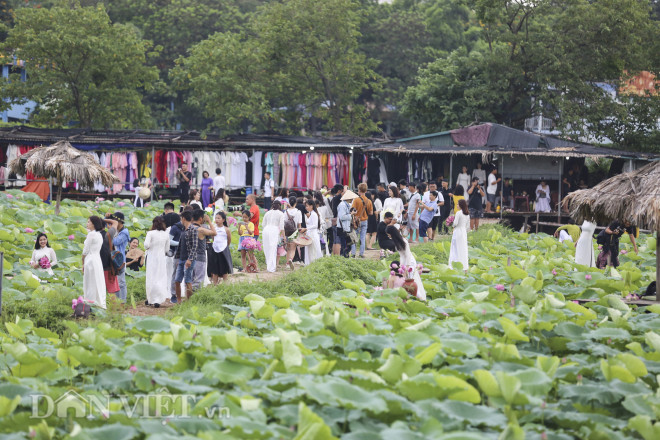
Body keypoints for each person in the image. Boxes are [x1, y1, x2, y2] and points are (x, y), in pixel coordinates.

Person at [385, 225, 426, 301]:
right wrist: (401, 265)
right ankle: (408, 297)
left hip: (410, 262)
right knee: (405, 281)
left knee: (410, 280)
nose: (388, 236)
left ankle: (419, 297)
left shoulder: (404, 241)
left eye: (388, 234)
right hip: (404, 262)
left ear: (392, 233)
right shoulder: (396, 241)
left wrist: (407, 267)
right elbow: (401, 255)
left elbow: (408, 255)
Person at [144, 216, 170, 308]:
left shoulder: (150, 233)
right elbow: (167, 249)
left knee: (151, 277)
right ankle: (158, 300)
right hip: (161, 258)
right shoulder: (166, 234)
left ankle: (150, 299)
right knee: (160, 278)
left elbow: (146, 245)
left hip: (152, 258)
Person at [105, 212, 129, 303]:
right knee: (113, 282)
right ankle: (116, 302)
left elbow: (114, 242)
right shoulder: (116, 230)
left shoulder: (124, 232)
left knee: (121, 282)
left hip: (119, 260)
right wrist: (106, 217)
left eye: (114, 221)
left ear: (120, 222)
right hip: (111, 259)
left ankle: (122, 301)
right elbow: (101, 225)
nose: (112, 223)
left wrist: (111, 230)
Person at [82, 216, 106, 309]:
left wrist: (82, 261)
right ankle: (99, 302)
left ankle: (89, 302)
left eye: (88, 222)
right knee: (97, 280)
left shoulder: (91, 234)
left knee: (90, 282)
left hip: (90, 259)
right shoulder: (99, 234)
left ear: (93, 224)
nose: (87, 223)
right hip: (97, 259)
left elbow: (85, 250)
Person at [174, 211, 197, 302]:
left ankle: (188, 301)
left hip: (188, 259)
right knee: (177, 280)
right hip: (182, 259)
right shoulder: (184, 230)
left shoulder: (193, 230)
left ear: (183, 218)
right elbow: (181, 246)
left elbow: (195, 246)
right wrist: (178, 259)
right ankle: (179, 301)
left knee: (187, 281)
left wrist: (190, 259)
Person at [191, 210, 216, 289]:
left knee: (190, 279)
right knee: (198, 280)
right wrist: (209, 221)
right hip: (200, 257)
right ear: (201, 218)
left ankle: (188, 297)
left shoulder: (188, 228)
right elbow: (214, 233)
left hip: (189, 256)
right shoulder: (201, 230)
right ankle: (196, 298)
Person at [207, 211, 233, 283]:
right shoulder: (213, 228)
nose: (216, 220)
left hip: (223, 250)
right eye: (215, 218)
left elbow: (229, 239)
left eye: (219, 218)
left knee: (224, 269)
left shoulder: (226, 229)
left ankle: (225, 284)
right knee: (215, 269)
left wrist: (225, 246)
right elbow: (213, 238)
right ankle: (215, 284)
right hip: (215, 249)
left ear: (223, 220)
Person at [261, 201, 285, 273]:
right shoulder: (281, 213)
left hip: (266, 230)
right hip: (274, 230)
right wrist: (283, 236)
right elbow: (282, 226)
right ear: (280, 206)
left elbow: (263, 224)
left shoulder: (267, 213)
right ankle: (271, 268)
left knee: (266, 248)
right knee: (273, 248)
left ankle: (269, 265)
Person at [351, 183, 373, 258]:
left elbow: (352, 210)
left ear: (359, 190)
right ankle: (361, 253)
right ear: (366, 191)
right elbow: (371, 212)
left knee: (354, 237)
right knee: (362, 237)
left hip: (356, 221)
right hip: (364, 221)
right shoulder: (369, 201)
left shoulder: (356, 200)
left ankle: (353, 253)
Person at [449, 199, 470, 271]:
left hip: (457, 231)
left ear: (461, 205)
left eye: (458, 204)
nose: (457, 205)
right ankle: (464, 266)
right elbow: (468, 226)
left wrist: (451, 223)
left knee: (455, 248)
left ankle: (454, 265)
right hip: (463, 232)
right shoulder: (467, 214)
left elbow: (455, 223)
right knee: (463, 249)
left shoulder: (458, 213)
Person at [284, 196, 304, 269]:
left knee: (288, 248)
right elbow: (299, 224)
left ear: (289, 202)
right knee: (293, 248)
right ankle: (290, 259)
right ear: (296, 203)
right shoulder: (298, 212)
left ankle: (287, 264)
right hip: (294, 232)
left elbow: (284, 223)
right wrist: (300, 234)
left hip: (287, 232)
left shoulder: (286, 212)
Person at [338, 190, 358, 258]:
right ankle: (343, 258)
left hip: (346, 228)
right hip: (342, 228)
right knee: (345, 246)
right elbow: (342, 217)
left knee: (348, 245)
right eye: (351, 198)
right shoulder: (342, 205)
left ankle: (344, 258)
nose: (352, 199)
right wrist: (351, 214)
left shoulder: (348, 205)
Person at [302, 199, 323, 264]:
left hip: (313, 234)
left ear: (311, 206)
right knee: (310, 250)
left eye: (307, 206)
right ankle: (311, 263)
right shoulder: (311, 214)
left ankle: (314, 264)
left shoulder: (314, 214)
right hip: (310, 233)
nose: (306, 208)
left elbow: (315, 225)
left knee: (313, 250)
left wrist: (306, 229)